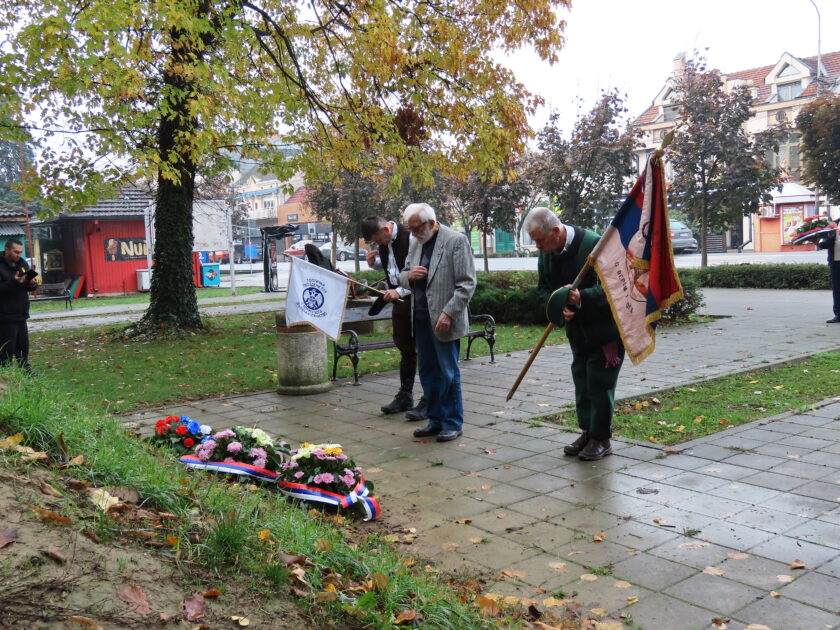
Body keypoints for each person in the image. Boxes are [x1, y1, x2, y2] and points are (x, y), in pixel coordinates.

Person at [524, 207, 624, 461]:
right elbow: (544, 288)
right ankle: (588, 432)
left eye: (541, 241)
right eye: (535, 242)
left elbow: (614, 288)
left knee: (599, 382)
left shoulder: (595, 246)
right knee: (582, 379)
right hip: (577, 332)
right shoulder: (546, 252)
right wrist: (558, 307)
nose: (538, 247)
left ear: (556, 232)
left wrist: (582, 299)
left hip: (605, 331)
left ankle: (602, 438)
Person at [398, 203, 476, 442]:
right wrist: (409, 276)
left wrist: (449, 313)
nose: (412, 233)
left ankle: (452, 422)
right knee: (428, 371)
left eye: (416, 228)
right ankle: (435, 419)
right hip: (420, 317)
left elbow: (467, 283)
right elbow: (402, 273)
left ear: (431, 223)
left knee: (448, 373)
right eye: (409, 228)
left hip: (444, 319)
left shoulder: (456, 241)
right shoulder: (415, 242)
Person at [361, 216, 426, 419]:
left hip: (417, 300)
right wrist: (375, 264)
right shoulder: (386, 241)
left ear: (386, 230)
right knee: (405, 347)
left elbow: (419, 271)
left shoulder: (411, 236)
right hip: (398, 302)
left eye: (379, 240)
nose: (379, 244)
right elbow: (394, 268)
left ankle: (430, 398)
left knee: (424, 348)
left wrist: (399, 291)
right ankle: (405, 395)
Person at [0, 239, 39, 371]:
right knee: (7, 348)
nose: (19, 255)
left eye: (20, 252)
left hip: (21, 312)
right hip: (5, 315)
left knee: (23, 346)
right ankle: (7, 374)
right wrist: (14, 282)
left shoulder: (22, 263)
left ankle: (25, 370)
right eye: (16, 252)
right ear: (7, 250)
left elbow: (26, 285)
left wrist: (32, 284)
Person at [818, 220, 840, 323]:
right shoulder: (833, 224)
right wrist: (817, 242)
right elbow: (826, 243)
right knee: (837, 289)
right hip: (836, 262)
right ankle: (838, 314)